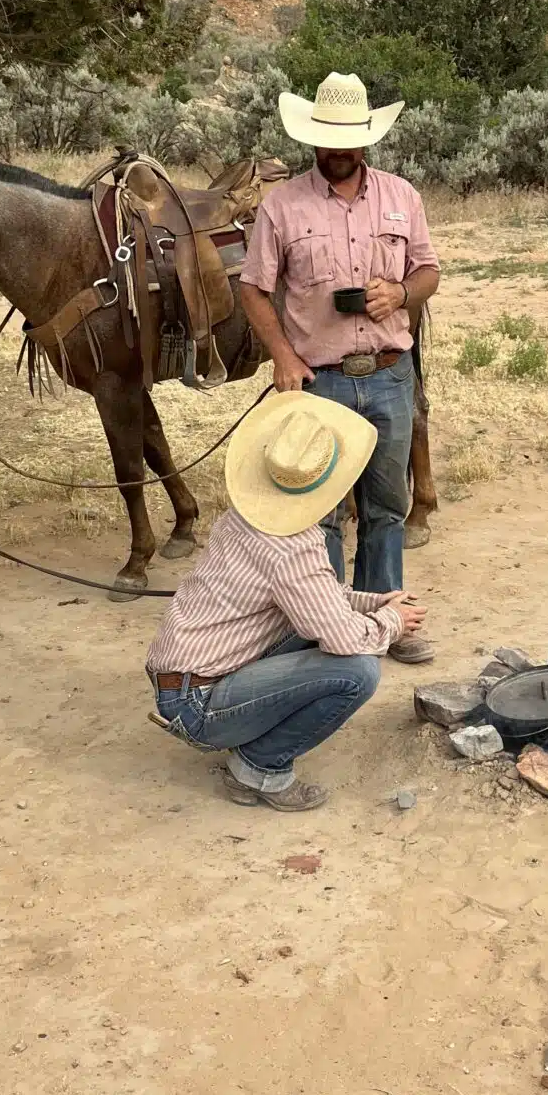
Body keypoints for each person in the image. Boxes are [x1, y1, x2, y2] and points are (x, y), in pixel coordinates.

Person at [239, 72, 440, 663]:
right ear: (312, 140)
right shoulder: (281, 205)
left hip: (388, 373)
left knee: (385, 506)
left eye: (347, 139)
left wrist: (400, 295)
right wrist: (281, 353)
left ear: (365, 139)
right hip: (319, 380)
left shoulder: (402, 197)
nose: (336, 150)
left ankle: (387, 619)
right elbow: (254, 288)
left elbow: (429, 271)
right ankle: (329, 626)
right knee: (319, 512)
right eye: (325, 139)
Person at [146, 395, 428, 812]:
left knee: (315, 630)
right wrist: (391, 621)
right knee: (359, 670)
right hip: (195, 703)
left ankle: (247, 744)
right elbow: (345, 639)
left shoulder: (246, 516)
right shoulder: (291, 548)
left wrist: (373, 602)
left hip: (181, 683)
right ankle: (259, 769)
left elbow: (318, 600)